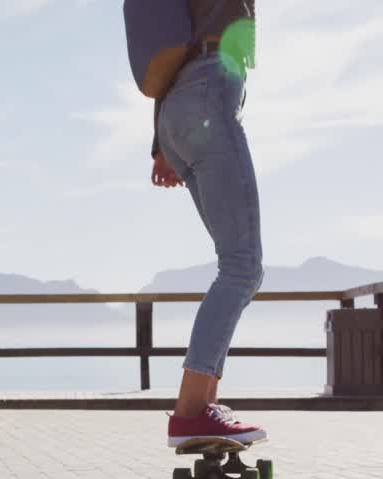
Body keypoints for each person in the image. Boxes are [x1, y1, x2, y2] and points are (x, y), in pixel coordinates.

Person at [147, 1, 266, 447]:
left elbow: (166, 36)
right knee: (241, 268)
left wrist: (161, 143)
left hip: (179, 109)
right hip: (209, 95)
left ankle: (205, 408)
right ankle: (191, 412)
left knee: (240, 269)